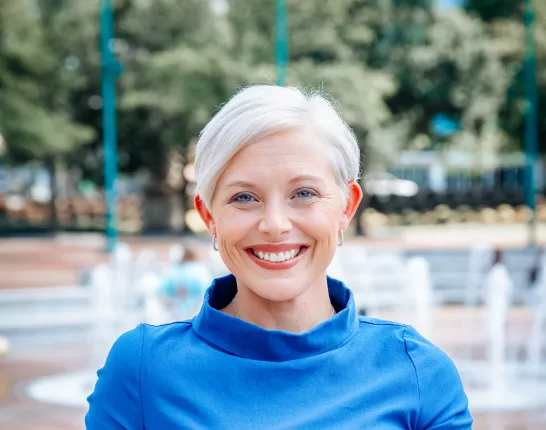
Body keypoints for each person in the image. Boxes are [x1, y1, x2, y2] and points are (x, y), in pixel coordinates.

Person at [86, 85, 472, 429]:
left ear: (346, 209)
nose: (274, 224)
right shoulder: (140, 371)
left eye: (303, 193)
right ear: (209, 216)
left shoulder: (418, 374)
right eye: (244, 197)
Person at [157, 246, 212, 318]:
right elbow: (208, 292)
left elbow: (161, 293)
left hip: (173, 315)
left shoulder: (170, 271)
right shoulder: (200, 270)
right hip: (196, 313)